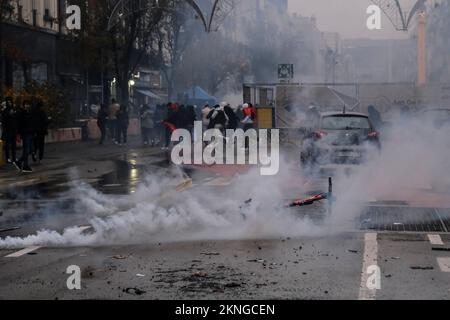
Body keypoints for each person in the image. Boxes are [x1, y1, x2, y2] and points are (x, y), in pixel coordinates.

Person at [15, 100, 35, 173]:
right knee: (26, 150)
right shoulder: (21, 113)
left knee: (30, 150)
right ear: (23, 105)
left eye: (28, 104)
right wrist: (18, 134)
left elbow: (31, 123)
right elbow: (18, 124)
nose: (27, 106)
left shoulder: (29, 112)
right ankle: (25, 166)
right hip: (25, 134)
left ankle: (19, 162)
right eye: (26, 104)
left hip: (30, 133)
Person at [1, 97, 18, 165]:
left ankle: (14, 158)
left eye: (10, 102)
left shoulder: (13, 110)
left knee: (13, 145)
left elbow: (16, 119)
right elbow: (3, 120)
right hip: (7, 130)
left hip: (13, 130)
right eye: (8, 102)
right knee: (7, 145)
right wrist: (8, 114)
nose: (10, 103)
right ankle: (8, 158)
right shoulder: (5, 111)